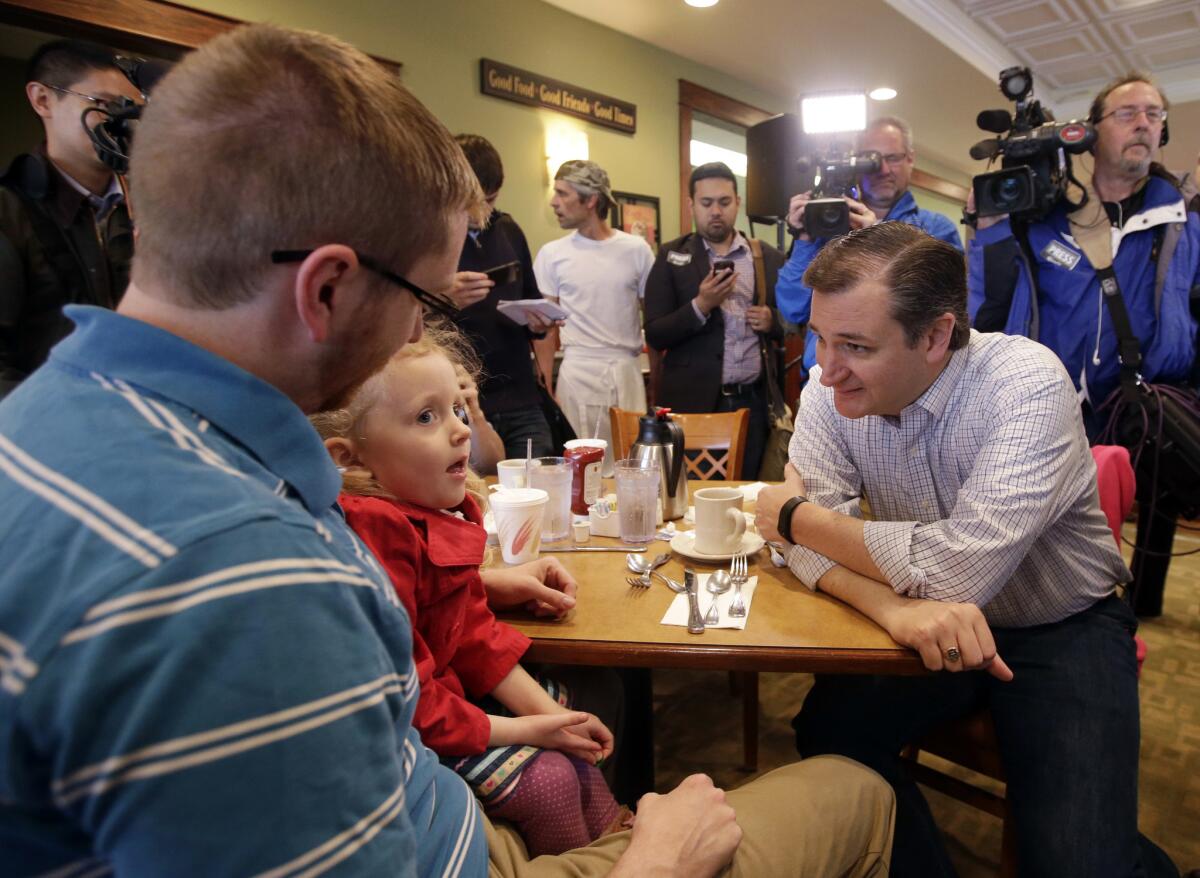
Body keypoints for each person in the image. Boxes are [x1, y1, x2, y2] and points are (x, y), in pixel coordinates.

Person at [0, 22, 898, 878]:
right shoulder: (241, 573)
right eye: (424, 300)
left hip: (428, 801)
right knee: (855, 793)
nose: (425, 329)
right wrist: (661, 859)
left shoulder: (41, 420)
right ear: (327, 289)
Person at [755, 222, 1175, 877]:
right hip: (917, 614)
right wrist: (890, 608)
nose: (825, 368)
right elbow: (797, 551)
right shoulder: (827, 390)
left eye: (856, 346)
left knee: (1078, 862)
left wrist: (790, 515)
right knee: (830, 737)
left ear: (935, 336)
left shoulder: (1024, 383)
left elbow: (957, 569)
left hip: (1061, 623)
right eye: (818, 337)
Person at [312, 329, 627, 857]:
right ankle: (589, 863)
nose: (461, 431)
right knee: (548, 784)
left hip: (448, 701)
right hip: (418, 728)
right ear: (351, 458)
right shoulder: (375, 533)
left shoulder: (427, 512)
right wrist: (530, 728)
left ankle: (612, 841)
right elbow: (413, 699)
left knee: (573, 740)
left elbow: (474, 634)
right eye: (426, 417)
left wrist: (550, 724)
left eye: (457, 409)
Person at [967, 72, 1200, 618]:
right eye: (1126, 113)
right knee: (1057, 525)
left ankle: (1139, 609)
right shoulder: (1044, 219)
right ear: (1090, 134)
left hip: (1148, 401)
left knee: (1151, 515)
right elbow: (991, 297)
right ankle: (1059, 612)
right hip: (1056, 405)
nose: (1143, 122)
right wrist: (994, 222)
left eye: (1154, 114)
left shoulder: (1185, 219)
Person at [0, 39, 142, 398]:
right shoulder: (9, 210)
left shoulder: (147, 209)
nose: (119, 124)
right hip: (39, 427)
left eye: (131, 111)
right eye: (104, 105)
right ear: (43, 100)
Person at [774, 116, 962, 380]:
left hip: (899, 385)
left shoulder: (936, 229)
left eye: (893, 158)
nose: (882, 169)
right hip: (824, 381)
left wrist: (878, 238)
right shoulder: (828, 227)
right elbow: (792, 308)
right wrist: (804, 239)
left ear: (910, 159)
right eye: (870, 160)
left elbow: (941, 313)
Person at [644, 162, 785, 478]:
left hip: (753, 404)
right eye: (706, 203)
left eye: (724, 202)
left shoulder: (766, 257)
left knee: (749, 495)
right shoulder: (670, 257)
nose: (716, 211)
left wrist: (772, 321)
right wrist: (700, 305)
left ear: (738, 203)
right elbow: (654, 333)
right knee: (693, 499)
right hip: (692, 405)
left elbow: (796, 322)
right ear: (692, 205)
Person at [534, 160, 654, 469]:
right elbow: (544, 327)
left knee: (633, 463)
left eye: (563, 193)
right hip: (578, 369)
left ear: (590, 200)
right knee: (583, 467)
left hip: (626, 370)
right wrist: (546, 388)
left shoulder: (636, 249)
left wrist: (658, 381)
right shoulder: (552, 254)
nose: (554, 202)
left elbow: (651, 317)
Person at [445, 134, 557, 461]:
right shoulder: (430, 235)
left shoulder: (508, 230)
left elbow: (530, 298)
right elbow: (405, 318)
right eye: (473, 202)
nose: (483, 213)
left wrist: (538, 324)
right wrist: (443, 295)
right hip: (460, 399)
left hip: (521, 397)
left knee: (542, 488)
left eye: (491, 200)